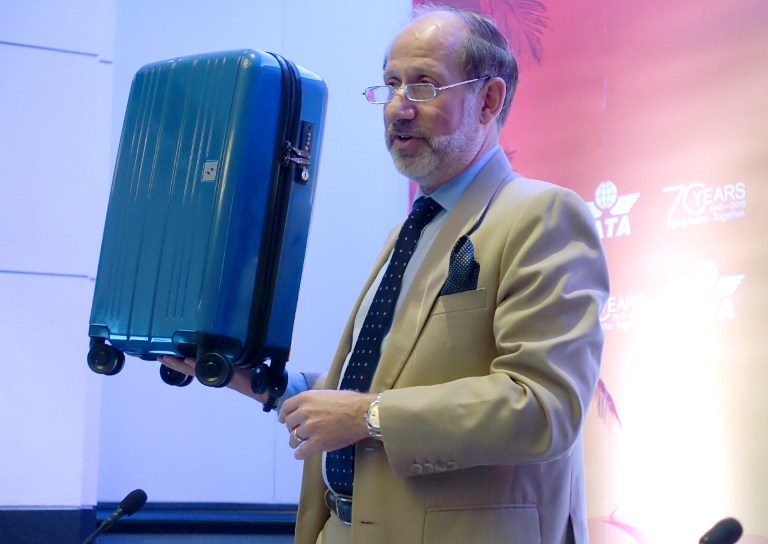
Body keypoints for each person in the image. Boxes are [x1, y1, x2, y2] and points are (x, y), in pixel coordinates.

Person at [160, 5, 609, 544]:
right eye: (391, 85)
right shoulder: (411, 230)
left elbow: (545, 407)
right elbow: (379, 390)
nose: (398, 107)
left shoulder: (541, 214)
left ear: (488, 99)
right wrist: (262, 381)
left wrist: (367, 416)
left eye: (423, 85)